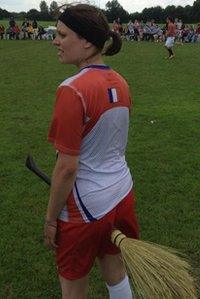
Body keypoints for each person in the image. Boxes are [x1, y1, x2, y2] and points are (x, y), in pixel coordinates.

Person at [45, 4, 139, 299]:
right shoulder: (120, 82)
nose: (55, 42)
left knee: (73, 287)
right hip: (121, 193)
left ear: (86, 40)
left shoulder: (72, 89)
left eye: (62, 35)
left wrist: (50, 220)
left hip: (84, 208)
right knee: (115, 270)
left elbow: (67, 167)